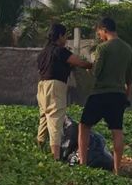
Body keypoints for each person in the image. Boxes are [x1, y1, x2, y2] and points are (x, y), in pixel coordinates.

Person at [79, 16, 132, 174]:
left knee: (84, 126)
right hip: (118, 95)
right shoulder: (128, 49)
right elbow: (129, 80)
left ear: (104, 30)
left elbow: (96, 72)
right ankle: (117, 169)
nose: (99, 36)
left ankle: (82, 165)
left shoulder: (103, 48)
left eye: (99, 33)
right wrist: (125, 98)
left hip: (100, 93)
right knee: (117, 130)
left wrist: (89, 67)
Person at [36, 23, 93, 160]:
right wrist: (91, 65)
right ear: (60, 36)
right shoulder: (60, 51)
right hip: (56, 86)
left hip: (42, 86)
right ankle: (55, 157)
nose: (66, 38)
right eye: (65, 35)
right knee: (56, 119)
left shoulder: (43, 53)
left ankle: (39, 146)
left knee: (44, 117)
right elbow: (79, 62)